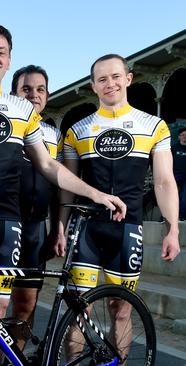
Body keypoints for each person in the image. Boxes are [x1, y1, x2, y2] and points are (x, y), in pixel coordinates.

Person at [0, 24, 125, 364]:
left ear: (8, 59)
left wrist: (95, 193)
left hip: (5, 225)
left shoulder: (23, 111)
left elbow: (48, 166)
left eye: (1, 52)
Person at [55, 54, 180, 359]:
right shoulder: (78, 130)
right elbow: (66, 185)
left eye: (115, 76)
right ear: (93, 86)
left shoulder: (154, 126)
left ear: (128, 78)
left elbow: (164, 182)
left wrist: (172, 228)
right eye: (102, 79)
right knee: (79, 310)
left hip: (128, 229)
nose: (109, 83)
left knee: (121, 311)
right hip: (85, 229)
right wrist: (60, 225)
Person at [9, 65, 62, 350]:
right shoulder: (2, 124)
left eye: (40, 89)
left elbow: (57, 187)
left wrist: (57, 229)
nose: (33, 94)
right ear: (13, 94)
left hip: (35, 229)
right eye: (26, 89)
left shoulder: (53, 134)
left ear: (47, 95)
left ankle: (15, 355)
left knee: (26, 303)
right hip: (0, 224)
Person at [172, 127, 186, 220]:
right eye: (183, 135)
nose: (185, 137)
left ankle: (182, 217)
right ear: (179, 137)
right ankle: (168, 216)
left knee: (184, 197)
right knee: (172, 196)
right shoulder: (173, 148)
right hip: (175, 175)